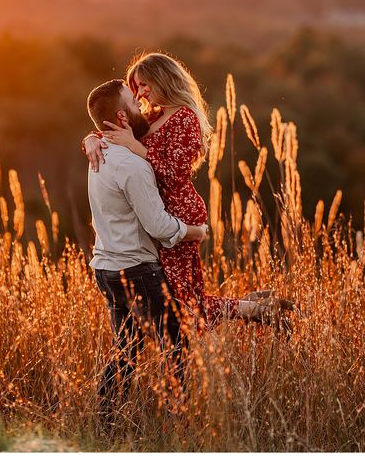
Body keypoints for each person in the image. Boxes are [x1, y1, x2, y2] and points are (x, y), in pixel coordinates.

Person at [84, 53, 294, 332]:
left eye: (145, 85)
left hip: (178, 213)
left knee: (182, 303)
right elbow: (114, 129)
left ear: (164, 79)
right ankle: (250, 306)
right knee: (175, 299)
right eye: (137, 88)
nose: (141, 93)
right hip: (157, 213)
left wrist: (138, 148)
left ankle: (252, 310)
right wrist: (90, 140)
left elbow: (175, 174)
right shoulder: (154, 114)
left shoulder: (186, 119)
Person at [86, 78, 208, 409]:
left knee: (127, 349)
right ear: (122, 118)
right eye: (134, 102)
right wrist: (195, 232)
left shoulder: (101, 153)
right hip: (138, 270)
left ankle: (106, 423)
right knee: (177, 348)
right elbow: (159, 226)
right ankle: (177, 423)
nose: (142, 104)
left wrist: (90, 138)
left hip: (106, 270)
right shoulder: (135, 166)